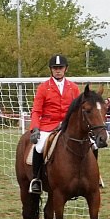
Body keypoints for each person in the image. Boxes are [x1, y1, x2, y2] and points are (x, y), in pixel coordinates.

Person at [27, 53, 80, 194]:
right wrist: (35, 128)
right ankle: (36, 179)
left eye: (60, 67)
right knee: (38, 147)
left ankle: (95, 176)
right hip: (48, 125)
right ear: (51, 69)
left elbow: (77, 110)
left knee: (91, 143)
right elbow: (36, 110)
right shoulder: (43, 88)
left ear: (66, 69)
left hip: (68, 126)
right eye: (55, 67)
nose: (58, 70)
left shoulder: (73, 88)